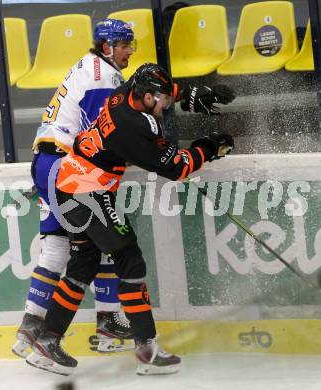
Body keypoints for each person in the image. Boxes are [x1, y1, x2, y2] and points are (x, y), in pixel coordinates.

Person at [25, 63, 235, 376]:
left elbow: (155, 88)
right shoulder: (132, 128)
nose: (166, 104)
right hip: (87, 193)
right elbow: (177, 168)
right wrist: (208, 147)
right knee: (130, 262)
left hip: (71, 186)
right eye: (162, 99)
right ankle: (147, 351)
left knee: (84, 263)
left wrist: (188, 93)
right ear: (147, 97)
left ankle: (47, 338)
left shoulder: (124, 94)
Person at [12, 18, 137, 359]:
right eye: (124, 44)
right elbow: (102, 135)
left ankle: (30, 327)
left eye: (131, 44)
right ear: (107, 45)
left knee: (55, 250)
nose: (129, 51)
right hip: (68, 167)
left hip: (45, 162)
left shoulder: (87, 65)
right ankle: (108, 321)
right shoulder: (105, 75)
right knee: (108, 241)